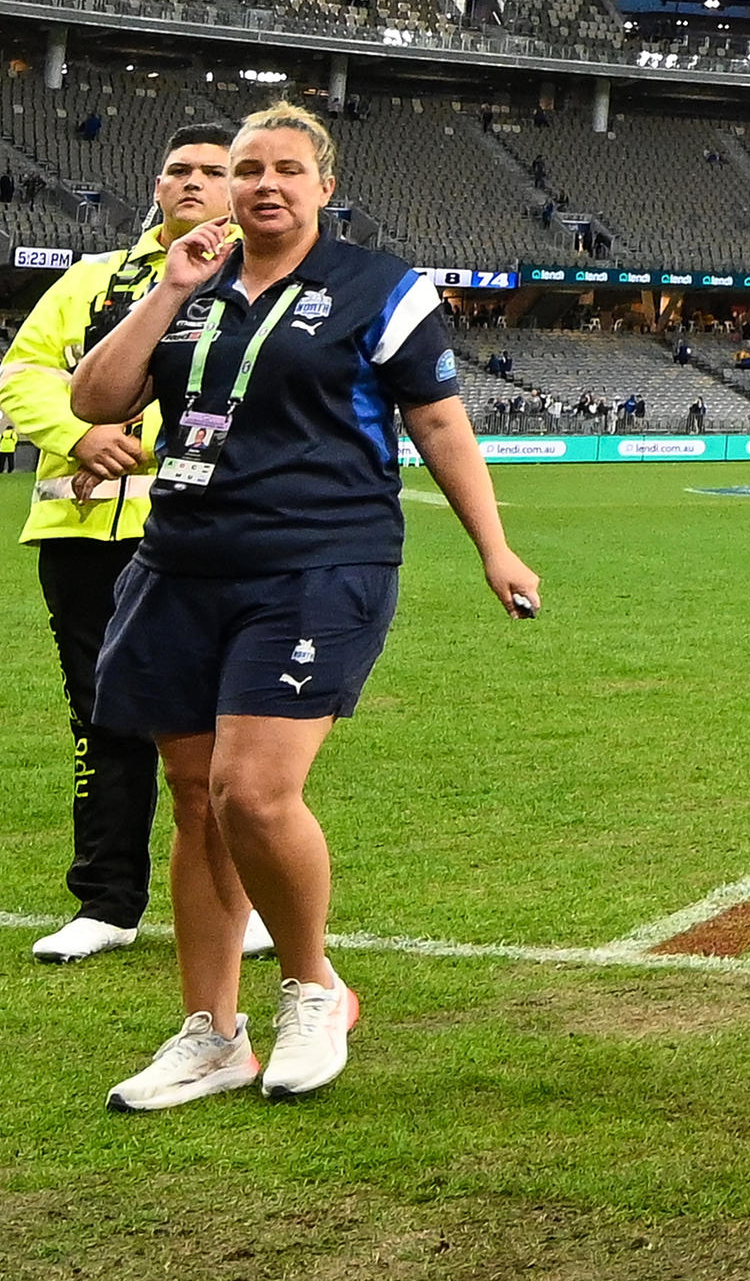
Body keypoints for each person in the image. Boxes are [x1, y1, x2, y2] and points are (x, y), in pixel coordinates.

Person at [74, 103, 543, 1110]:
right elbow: (95, 401)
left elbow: (441, 424)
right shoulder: (188, 285)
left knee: (253, 791)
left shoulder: (381, 288)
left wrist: (493, 546)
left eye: (287, 169)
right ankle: (211, 1033)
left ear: (326, 186)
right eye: (248, 171)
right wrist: (167, 292)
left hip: (320, 562)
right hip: (182, 561)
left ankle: (311, 986)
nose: (264, 187)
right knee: (196, 801)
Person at [16, 126, 265, 968]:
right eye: (177, 170)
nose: (192, 181)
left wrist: (143, 439)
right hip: (82, 537)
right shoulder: (89, 280)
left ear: (239, 191)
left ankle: (251, 896)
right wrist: (81, 436)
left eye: (212, 171)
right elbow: (23, 372)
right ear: (156, 186)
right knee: (100, 721)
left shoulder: (267, 287)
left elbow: (254, 395)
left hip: (201, 533)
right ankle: (105, 901)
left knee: (228, 732)